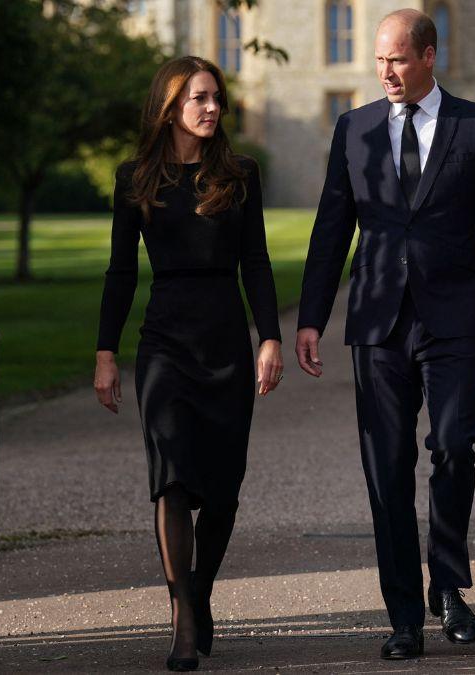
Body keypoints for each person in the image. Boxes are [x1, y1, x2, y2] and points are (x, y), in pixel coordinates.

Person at [293, 8, 475, 660]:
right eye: (379, 61)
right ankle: (403, 616)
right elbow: (332, 226)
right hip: (376, 320)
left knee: (454, 445)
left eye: (396, 59)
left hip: (451, 315)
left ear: (427, 56)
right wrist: (310, 317)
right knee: (386, 468)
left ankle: (448, 582)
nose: (385, 72)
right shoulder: (354, 127)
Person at [94, 56, 283, 672]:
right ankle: (182, 617)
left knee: (223, 491)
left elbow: (255, 261)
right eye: (199, 97)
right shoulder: (135, 178)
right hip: (164, 344)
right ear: (170, 104)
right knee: (171, 475)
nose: (212, 108)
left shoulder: (240, 174)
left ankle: (199, 594)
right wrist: (105, 352)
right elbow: (121, 273)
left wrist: (270, 337)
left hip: (226, 340)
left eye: (216, 98)